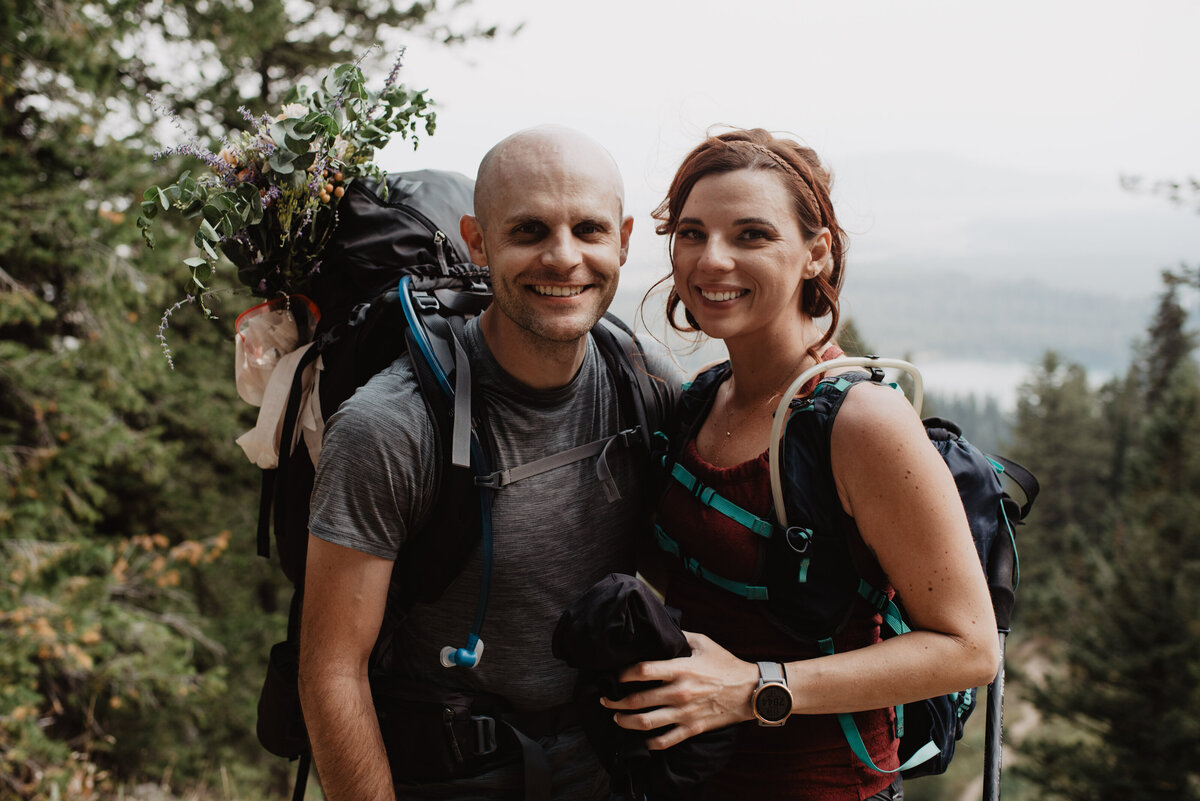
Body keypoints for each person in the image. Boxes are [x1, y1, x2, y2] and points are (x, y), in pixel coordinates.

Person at [602, 128, 1000, 800]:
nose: (710, 260)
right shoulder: (704, 398)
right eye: (692, 233)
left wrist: (756, 686)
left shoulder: (860, 421)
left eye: (751, 235)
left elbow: (969, 647)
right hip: (688, 778)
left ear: (816, 253)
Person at [297, 125, 679, 801]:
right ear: (478, 242)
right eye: (529, 231)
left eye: (588, 229)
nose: (564, 258)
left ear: (622, 239)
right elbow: (331, 670)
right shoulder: (392, 426)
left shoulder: (642, 383)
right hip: (449, 774)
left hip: (606, 764)